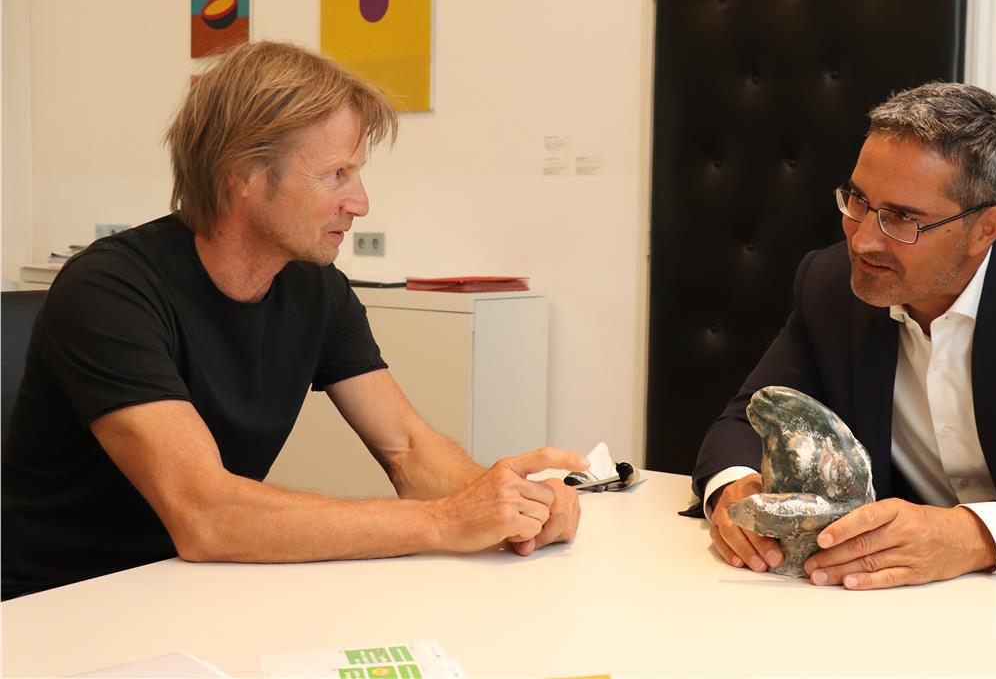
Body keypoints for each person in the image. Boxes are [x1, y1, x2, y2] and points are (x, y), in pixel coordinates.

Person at [1, 41, 585, 600]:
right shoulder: (109, 289)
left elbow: (408, 448)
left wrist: (516, 505)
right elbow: (207, 515)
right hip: (58, 607)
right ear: (243, 174)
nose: (360, 203)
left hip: (197, 589)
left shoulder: (315, 289)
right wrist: (444, 522)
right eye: (336, 174)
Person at [694, 82, 996, 589]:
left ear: (987, 228)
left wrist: (974, 535)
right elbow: (747, 418)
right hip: (885, 600)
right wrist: (735, 490)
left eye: (902, 218)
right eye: (858, 201)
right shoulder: (831, 285)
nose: (863, 239)